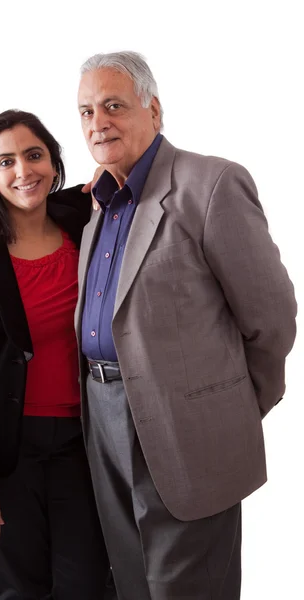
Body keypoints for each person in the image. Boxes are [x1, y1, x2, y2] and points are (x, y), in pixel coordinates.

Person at [75, 51, 297, 600]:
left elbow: (272, 317)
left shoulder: (211, 183)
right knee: (130, 583)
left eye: (112, 106)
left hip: (190, 428)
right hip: (101, 416)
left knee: (188, 588)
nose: (97, 122)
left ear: (154, 110)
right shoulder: (98, 203)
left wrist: (236, 405)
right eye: (84, 111)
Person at [0, 109, 113, 600]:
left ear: (53, 161)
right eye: (5, 161)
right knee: (22, 591)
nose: (22, 171)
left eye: (34, 156)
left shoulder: (81, 220)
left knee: (91, 585)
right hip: (6, 454)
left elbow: (118, 176)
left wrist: (109, 173)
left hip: (82, 444)